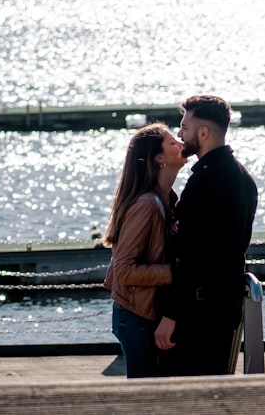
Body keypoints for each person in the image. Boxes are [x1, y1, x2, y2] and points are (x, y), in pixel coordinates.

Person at [154, 95, 258, 376]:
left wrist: (171, 315)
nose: (179, 134)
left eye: (185, 128)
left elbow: (193, 256)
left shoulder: (206, 180)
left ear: (203, 133)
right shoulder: (242, 177)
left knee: (184, 394)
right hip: (224, 306)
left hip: (197, 314)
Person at [102, 123, 186, 378]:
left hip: (142, 311)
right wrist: (177, 273)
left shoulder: (166, 200)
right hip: (136, 315)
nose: (181, 143)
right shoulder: (147, 204)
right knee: (145, 395)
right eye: (173, 142)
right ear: (159, 158)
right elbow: (123, 270)